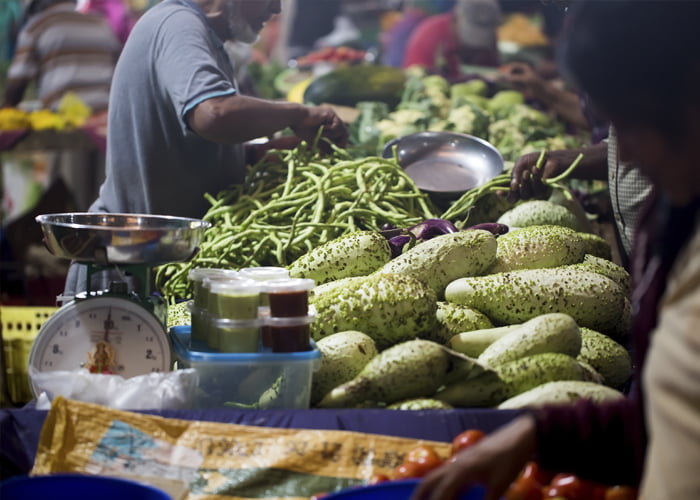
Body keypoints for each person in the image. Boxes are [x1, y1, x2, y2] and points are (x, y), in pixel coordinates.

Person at [412, 2, 700, 500]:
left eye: (633, 127)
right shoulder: (670, 218)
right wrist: (538, 435)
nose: (622, 155)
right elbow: (667, 418)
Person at [63, 0, 348, 296]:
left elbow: (188, 150)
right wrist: (299, 114)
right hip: (125, 277)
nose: (276, 9)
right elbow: (214, 114)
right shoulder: (179, 24)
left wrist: (268, 155)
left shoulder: (203, 38)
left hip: (159, 269)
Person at [3, 0, 121, 112]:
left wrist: (7, 111)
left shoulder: (35, 27)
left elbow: (18, 81)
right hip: (105, 115)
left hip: (62, 118)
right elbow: (119, 70)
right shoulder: (100, 24)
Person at [402, 0, 501, 80]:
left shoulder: (490, 40)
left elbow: (492, 73)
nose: (477, 39)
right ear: (457, 17)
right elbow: (414, 78)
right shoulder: (430, 33)